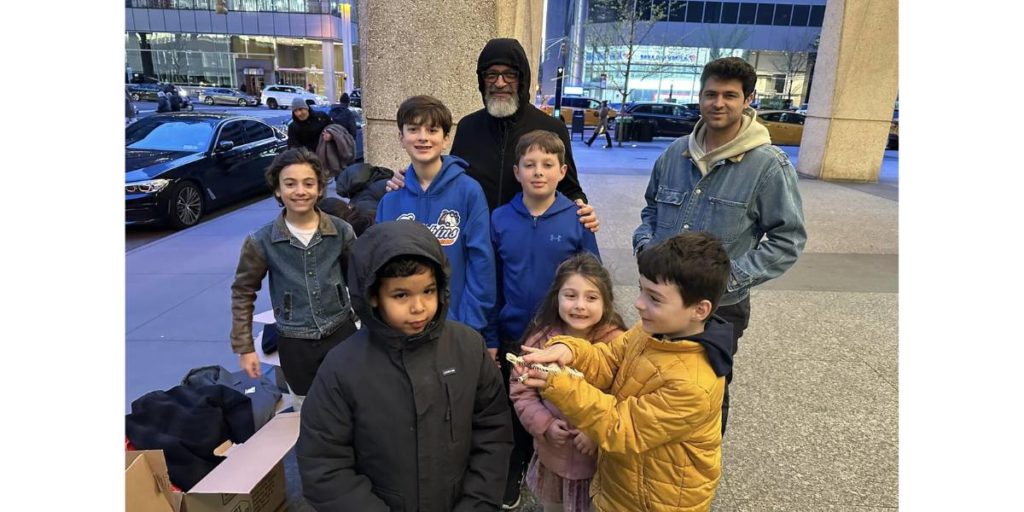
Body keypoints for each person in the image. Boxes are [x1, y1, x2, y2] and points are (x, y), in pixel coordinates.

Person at [632, 56, 807, 434]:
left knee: (707, 394)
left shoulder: (768, 166)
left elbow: (788, 238)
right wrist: (645, 246)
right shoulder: (673, 154)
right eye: (711, 94)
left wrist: (728, 279)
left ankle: (694, 475)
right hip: (662, 302)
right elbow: (650, 209)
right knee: (653, 381)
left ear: (748, 100)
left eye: (730, 95)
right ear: (699, 97)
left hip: (720, 309)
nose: (719, 103)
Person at [297, 220, 513, 511]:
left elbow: (493, 432)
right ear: (372, 296)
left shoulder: (467, 348)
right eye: (401, 295)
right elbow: (324, 464)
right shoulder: (342, 368)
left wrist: (478, 504)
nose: (419, 307)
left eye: (428, 291)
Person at [515, 232, 736, 512]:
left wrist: (559, 384)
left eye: (654, 298)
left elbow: (620, 427)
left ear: (699, 309)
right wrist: (570, 350)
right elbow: (608, 360)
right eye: (641, 290)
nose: (639, 303)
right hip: (625, 483)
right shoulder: (651, 331)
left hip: (655, 500)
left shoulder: (693, 384)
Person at [385, 38, 600, 234]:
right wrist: (408, 179)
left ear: (522, 79)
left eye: (509, 75)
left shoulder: (551, 128)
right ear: (482, 80)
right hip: (473, 241)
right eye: (491, 75)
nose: (499, 83)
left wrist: (582, 207)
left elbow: (569, 188)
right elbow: (446, 177)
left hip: (527, 242)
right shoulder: (468, 127)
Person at [490, 129, 600, 509]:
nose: (539, 172)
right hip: (512, 332)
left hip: (561, 339)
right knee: (517, 402)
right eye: (530, 165)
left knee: (558, 402)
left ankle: (559, 470)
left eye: (548, 165)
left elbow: (593, 276)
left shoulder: (577, 219)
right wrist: (491, 330)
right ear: (517, 172)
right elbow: (492, 280)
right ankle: (515, 466)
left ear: (562, 170)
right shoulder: (500, 219)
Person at [229, 148, 358, 411]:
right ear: (277, 189)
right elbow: (243, 292)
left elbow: (358, 280)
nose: (300, 191)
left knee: (352, 402)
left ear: (320, 188)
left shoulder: (341, 231)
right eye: (290, 184)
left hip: (340, 332)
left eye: (308, 183)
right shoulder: (261, 241)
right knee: (309, 410)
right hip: (295, 342)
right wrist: (245, 347)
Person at [375, 95, 497, 353]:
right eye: (413, 129)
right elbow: (378, 268)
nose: (423, 137)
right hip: (403, 331)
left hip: (457, 327)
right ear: (401, 137)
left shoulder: (468, 191)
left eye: (432, 130)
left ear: (446, 139)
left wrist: (470, 325)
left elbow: (481, 262)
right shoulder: (391, 200)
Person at [508, 253, 627, 512]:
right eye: (570, 295)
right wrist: (545, 424)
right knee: (553, 505)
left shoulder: (618, 344)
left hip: (596, 463)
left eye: (591, 297)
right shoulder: (540, 339)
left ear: (606, 301)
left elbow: (626, 396)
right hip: (554, 456)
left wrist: (597, 432)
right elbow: (521, 391)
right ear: (557, 297)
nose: (580, 305)